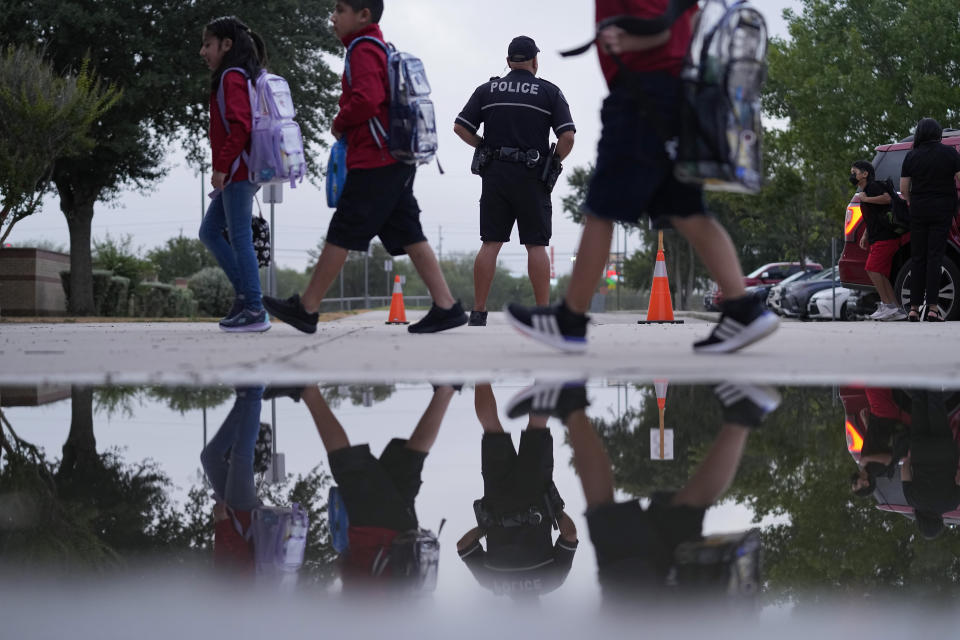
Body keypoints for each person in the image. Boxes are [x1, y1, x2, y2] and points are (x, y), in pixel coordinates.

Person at [504, 2, 778, 353]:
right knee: (688, 210)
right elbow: (688, 18)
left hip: (641, 97)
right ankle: (743, 310)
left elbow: (661, 28)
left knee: (601, 208)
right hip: (668, 93)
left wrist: (626, 44)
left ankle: (569, 321)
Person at [262, 0, 466, 335]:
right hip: (393, 158)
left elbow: (368, 99)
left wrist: (339, 122)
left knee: (344, 228)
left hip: (376, 158)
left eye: (340, 9)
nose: (333, 17)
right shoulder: (377, 47)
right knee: (408, 231)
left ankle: (308, 307)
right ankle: (447, 306)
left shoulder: (362, 47)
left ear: (363, 15)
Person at [505, 380, 779, 600]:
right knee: (604, 514)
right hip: (643, 606)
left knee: (686, 508)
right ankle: (570, 404)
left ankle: (743, 414)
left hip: (685, 609)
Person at [454, 37, 576, 326]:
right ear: (535, 61)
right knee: (536, 245)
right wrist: (553, 161)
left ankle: (479, 312)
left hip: (495, 175)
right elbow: (567, 137)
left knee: (490, 243)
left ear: (508, 61)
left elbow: (460, 127)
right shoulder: (549, 92)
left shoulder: (487, 90)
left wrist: (483, 146)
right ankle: (543, 313)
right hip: (533, 176)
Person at [301, 382, 456, 589]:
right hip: (374, 530)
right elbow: (350, 568)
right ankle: (307, 391)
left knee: (410, 460)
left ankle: (445, 391)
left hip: (404, 533)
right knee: (346, 465)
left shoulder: (404, 609)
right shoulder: (368, 613)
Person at [457, 384, 578, 598]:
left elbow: (570, 535)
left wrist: (555, 508)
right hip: (498, 503)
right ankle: (481, 372)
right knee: (491, 429)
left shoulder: (552, 581)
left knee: (537, 427)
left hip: (536, 498)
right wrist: (487, 526)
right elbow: (463, 545)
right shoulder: (494, 584)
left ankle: (544, 375)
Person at [198, 16, 270, 333]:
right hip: (240, 170)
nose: (203, 52)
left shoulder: (231, 77)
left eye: (208, 45)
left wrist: (222, 167)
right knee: (209, 231)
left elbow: (241, 126)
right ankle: (247, 298)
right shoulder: (237, 76)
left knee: (240, 239)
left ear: (227, 45)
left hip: (238, 171)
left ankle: (254, 307)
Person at [899, 117, 960, 322]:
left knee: (918, 258)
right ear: (938, 134)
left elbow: (905, 189)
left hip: (918, 211)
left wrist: (912, 203)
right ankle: (933, 309)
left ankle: (914, 308)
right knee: (935, 257)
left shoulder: (911, 156)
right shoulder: (951, 153)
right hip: (942, 211)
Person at [200, 386, 265, 571]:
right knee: (241, 456)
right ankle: (254, 393)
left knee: (210, 457)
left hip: (234, 514)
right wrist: (223, 523)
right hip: (242, 516)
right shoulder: (237, 597)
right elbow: (243, 559)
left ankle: (244, 399)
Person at [901, 389, 960, 539]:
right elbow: (905, 471)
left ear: (939, 522)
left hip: (944, 449)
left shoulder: (952, 503)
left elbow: (959, 478)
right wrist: (909, 457)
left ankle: (933, 378)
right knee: (918, 405)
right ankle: (919, 376)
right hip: (920, 449)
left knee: (936, 408)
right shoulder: (913, 500)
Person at [851, 161, 907, 321]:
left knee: (872, 269)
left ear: (865, 174)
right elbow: (875, 216)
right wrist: (865, 235)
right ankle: (896, 309)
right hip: (880, 237)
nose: (852, 175)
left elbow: (887, 199)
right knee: (880, 272)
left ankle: (887, 305)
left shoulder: (872, 187)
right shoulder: (867, 190)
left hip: (885, 237)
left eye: (854, 172)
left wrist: (865, 199)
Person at [850, 387, 911, 497]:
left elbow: (873, 442)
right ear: (866, 483)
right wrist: (866, 458)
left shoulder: (867, 467)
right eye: (855, 484)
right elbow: (888, 459)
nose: (853, 481)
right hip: (885, 419)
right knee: (873, 385)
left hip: (879, 419)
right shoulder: (875, 470)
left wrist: (866, 423)